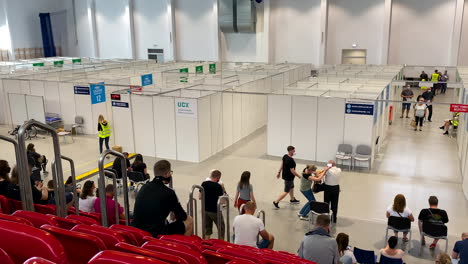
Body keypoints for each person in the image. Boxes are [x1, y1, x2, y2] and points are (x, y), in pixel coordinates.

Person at [132, 160, 193, 237]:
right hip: (155, 234)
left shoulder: (143, 187)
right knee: (189, 220)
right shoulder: (169, 193)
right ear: (167, 174)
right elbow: (182, 216)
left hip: (137, 232)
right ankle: (184, 247)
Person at [201, 170, 225, 240]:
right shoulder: (218, 186)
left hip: (205, 210)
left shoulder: (204, 184)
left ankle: (206, 244)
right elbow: (222, 201)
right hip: (215, 211)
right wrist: (222, 188)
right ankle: (221, 244)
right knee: (221, 228)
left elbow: (200, 197)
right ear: (218, 178)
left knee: (207, 230)